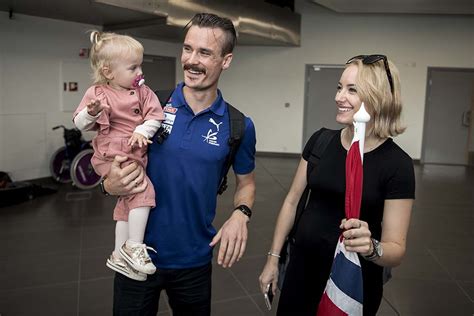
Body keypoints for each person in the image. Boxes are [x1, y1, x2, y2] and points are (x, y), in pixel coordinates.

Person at [101, 13, 257, 315]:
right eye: (188, 48)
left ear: (226, 61)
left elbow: (247, 183)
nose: (191, 60)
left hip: (194, 262)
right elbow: (107, 158)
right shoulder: (146, 106)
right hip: (134, 255)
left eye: (205, 52)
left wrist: (241, 214)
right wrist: (107, 185)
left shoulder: (239, 126)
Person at [259, 54, 415, 315]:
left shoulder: (397, 164)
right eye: (339, 87)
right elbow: (292, 201)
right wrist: (273, 260)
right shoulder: (321, 141)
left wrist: (372, 247)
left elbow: (395, 250)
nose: (339, 96)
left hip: (352, 283)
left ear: (378, 97)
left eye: (352, 90)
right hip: (301, 271)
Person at [73, 31, 165, 281]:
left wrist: (141, 130)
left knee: (127, 203)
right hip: (112, 153)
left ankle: (117, 254)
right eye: (132, 67)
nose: (139, 72)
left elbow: (156, 117)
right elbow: (80, 123)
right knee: (144, 192)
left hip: (133, 151)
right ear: (109, 72)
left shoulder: (144, 92)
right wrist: (91, 113)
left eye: (140, 65)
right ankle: (134, 246)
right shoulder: (98, 93)